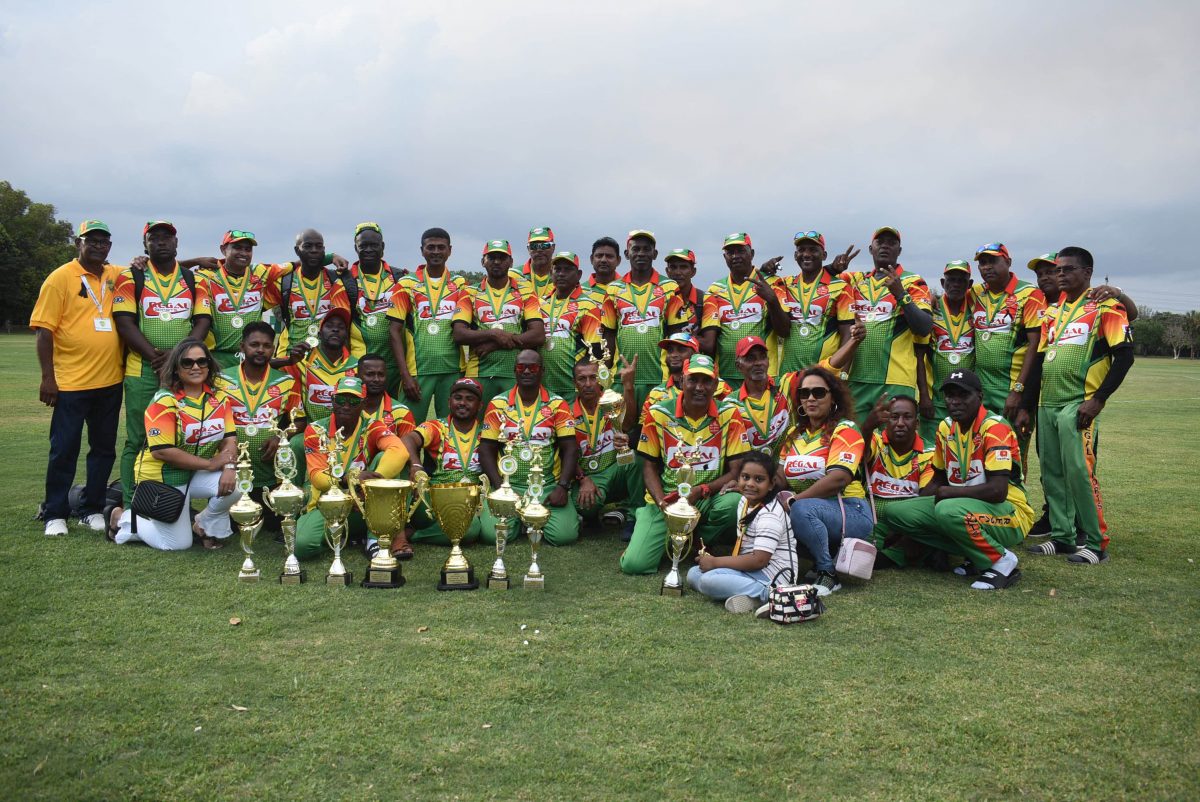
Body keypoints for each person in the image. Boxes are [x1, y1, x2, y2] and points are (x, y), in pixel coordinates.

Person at [1023, 247, 1134, 564]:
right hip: (1048, 404)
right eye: (1058, 270)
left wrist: (1098, 400)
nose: (1060, 275)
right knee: (1052, 474)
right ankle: (1062, 538)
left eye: (1068, 269)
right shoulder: (1051, 313)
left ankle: (1097, 543)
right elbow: (1042, 360)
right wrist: (1029, 404)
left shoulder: (1105, 307)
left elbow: (1125, 356)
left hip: (1078, 404)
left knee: (1080, 474)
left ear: (1087, 272)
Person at [879, 368, 1033, 589]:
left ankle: (1001, 561)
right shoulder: (946, 427)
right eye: (950, 396)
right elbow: (938, 480)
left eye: (963, 395)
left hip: (1011, 511)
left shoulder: (995, 428)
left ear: (979, 397)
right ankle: (976, 556)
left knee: (947, 509)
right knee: (896, 512)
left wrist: (950, 493)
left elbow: (998, 491)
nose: (955, 401)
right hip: (966, 507)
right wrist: (903, 526)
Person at [30, 220, 125, 536]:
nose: (98, 246)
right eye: (92, 241)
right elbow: (44, 332)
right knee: (64, 449)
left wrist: (199, 261)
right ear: (78, 243)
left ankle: (92, 508)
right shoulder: (60, 278)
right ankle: (55, 513)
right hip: (71, 383)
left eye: (104, 242)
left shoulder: (114, 275)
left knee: (103, 449)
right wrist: (48, 378)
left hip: (110, 381)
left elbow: (152, 267)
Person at [114, 220, 213, 508]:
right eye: (154, 238)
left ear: (176, 243)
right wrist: (156, 357)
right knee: (137, 440)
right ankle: (132, 506)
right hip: (143, 369)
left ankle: (175, 503)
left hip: (185, 370)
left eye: (166, 237)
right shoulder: (131, 276)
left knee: (182, 437)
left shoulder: (195, 280)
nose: (161, 242)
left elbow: (202, 321)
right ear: (145, 245)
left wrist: (179, 356)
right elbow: (124, 321)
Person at [623, 354, 749, 575]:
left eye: (706, 381)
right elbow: (649, 466)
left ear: (716, 384)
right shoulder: (659, 413)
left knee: (734, 503)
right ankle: (668, 533)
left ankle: (698, 539)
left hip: (708, 498)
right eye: (693, 380)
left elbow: (736, 470)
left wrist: (702, 490)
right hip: (668, 499)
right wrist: (663, 504)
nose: (699, 387)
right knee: (634, 565)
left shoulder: (730, 413)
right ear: (682, 381)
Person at [113, 339, 241, 550]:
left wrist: (228, 467)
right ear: (175, 368)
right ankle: (124, 519)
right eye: (187, 363)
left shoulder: (219, 398)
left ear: (209, 365)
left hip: (194, 472)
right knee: (178, 544)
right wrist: (210, 464)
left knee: (237, 485)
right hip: (164, 475)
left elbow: (229, 438)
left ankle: (203, 525)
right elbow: (162, 452)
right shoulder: (164, 401)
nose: (196, 367)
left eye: (202, 361)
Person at [777, 366, 872, 595]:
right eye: (804, 393)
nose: (810, 398)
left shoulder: (845, 430)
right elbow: (780, 478)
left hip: (852, 510)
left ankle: (827, 572)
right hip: (811, 508)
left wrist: (794, 500)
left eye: (819, 392)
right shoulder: (794, 434)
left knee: (801, 509)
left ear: (833, 397)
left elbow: (839, 479)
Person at [294, 377, 409, 560]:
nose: (346, 406)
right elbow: (318, 478)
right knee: (301, 545)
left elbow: (400, 451)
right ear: (332, 401)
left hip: (365, 504)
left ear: (363, 404)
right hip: (328, 504)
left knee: (384, 458)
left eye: (354, 401)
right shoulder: (315, 430)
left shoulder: (372, 425)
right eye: (340, 400)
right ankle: (351, 537)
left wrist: (368, 485)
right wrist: (349, 480)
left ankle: (374, 539)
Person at [478, 349, 580, 546]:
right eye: (520, 367)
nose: (526, 371)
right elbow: (486, 449)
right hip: (510, 485)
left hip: (547, 486)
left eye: (532, 367)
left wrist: (562, 486)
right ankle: (525, 521)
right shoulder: (498, 403)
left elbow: (570, 448)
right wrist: (500, 487)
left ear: (542, 371)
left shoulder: (557, 404)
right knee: (492, 536)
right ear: (514, 370)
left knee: (564, 536)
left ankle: (533, 518)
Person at [835, 227, 933, 425]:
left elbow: (924, 327)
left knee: (893, 444)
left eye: (891, 242)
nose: (885, 246)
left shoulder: (914, 281)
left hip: (896, 380)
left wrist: (901, 294)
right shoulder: (854, 280)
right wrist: (833, 268)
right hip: (856, 379)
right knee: (857, 441)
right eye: (880, 242)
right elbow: (821, 281)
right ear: (871, 249)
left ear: (899, 250)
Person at [687, 450, 796, 615]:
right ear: (738, 479)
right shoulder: (745, 501)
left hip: (773, 577)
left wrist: (716, 562)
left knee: (708, 580)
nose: (750, 484)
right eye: (745, 477)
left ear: (772, 484)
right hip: (750, 571)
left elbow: (759, 560)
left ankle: (771, 595)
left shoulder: (770, 514)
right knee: (693, 574)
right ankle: (751, 598)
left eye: (759, 480)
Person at [214, 322, 299, 514]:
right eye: (254, 345)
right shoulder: (220, 380)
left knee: (271, 522)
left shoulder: (286, 382)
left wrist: (281, 437)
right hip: (231, 470)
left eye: (267, 345)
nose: (261, 350)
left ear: (273, 348)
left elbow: (299, 420)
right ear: (242, 346)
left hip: (270, 474)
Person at [395, 378, 487, 548]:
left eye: (470, 399)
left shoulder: (486, 433)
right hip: (434, 501)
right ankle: (408, 529)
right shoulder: (437, 427)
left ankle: (416, 535)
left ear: (480, 405)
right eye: (458, 398)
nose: (463, 403)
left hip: (471, 502)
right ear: (449, 401)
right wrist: (416, 465)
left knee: (470, 528)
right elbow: (408, 439)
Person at [969, 243, 1045, 447]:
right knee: (982, 450)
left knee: (1012, 454)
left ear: (1008, 262)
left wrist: (1018, 391)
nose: (986, 267)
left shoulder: (1030, 294)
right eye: (982, 263)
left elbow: (1035, 344)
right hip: (982, 389)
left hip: (1011, 389)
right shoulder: (975, 293)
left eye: (993, 261)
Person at [600, 230, 683, 416]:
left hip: (659, 377)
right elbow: (609, 334)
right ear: (627, 253)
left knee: (654, 434)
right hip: (621, 377)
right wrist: (606, 375)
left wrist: (676, 373)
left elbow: (676, 335)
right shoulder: (614, 289)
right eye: (636, 249)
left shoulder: (670, 287)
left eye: (647, 249)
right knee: (622, 431)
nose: (641, 253)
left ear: (654, 254)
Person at [390, 227, 468, 424]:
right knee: (407, 427)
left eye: (441, 247)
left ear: (449, 250)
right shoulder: (407, 284)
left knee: (448, 429)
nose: (435, 252)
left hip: (452, 370)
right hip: (418, 371)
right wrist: (405, 375)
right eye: (430, 247)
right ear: (422, 250)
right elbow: (394, 331)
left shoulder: (459, 284)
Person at [453, 240, 546, 402]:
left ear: (511, 262)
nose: (496, 262)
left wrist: (496, 343)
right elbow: (459, 334)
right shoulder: (469, 292)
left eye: (502, 258)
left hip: (513, 372)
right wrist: (494, 334)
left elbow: (538, 335)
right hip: (478, 372)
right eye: (492, 257)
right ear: (483, 261)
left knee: (514, 424)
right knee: (478, 424)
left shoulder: (526, 292)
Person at [194, 229, 294, 372]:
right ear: (223, 249)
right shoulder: (207, 276)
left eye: (248, 249)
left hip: (250, 358)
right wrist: (194, 261)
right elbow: (173, 270)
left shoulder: (260, 272)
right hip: (218, 357)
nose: (243, 253)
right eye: (237, 247)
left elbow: (297, 264)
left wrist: (331, 257)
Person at [699, 233, 789, 388]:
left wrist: (772, 300)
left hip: (763, 375)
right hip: (726, 376)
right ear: (724, 257)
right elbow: (710, 341)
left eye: (741, 251)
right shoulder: (715, 289)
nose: (735, 256)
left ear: (752, 254)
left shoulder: (773, 283)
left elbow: (784, 331)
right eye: (730, 252)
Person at [860, 394, 935, 568]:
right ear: (886, 421)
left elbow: (925, 500)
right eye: (894, 417)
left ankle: (897, 553)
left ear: (917, 424)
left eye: (907, 417)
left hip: (906, 525)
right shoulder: (876, 442)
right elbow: (859, 456)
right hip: (874, 520)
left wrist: (903, 532)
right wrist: (867, 427)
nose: (900, 423)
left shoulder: (930, 453)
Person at [571, 357, 643, 531]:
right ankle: (591, 514)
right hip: (589, 476)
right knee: (585, 507)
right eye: (582, 379)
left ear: (601, 378)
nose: (588, 383)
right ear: (575, 382)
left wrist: (628, 386)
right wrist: (583, 479)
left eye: (593, 377)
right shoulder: (566, 412)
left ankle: (633, 516)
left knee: (637, 459)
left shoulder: (611, 402)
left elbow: (629, 423)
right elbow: (566, 455)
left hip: (615, 469)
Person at [916, 260, 976, 443]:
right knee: (932, 452)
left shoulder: (977, 309)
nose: (955, 285)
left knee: (965, 449)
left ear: (970, 284)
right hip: (936, 400)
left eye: (961, 280)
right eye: (951, 280)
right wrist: (924, 397)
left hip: (967, 400)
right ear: (943, 283)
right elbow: (919, 355)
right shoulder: (931, 311)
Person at [274, 228, 356, 359]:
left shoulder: (336, 281)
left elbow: (342, 324)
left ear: (323, 250)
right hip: (291, 358)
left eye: (319, 247)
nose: (314, 250)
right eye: (308, 246)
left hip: (325, 359)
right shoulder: (284, 282)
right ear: (297, 250)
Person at [778, 231, 849, 374]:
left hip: (825, 376)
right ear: (795, 255)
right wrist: (765, 269)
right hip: (789, 375)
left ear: (824, 255)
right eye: (801, 250)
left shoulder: (841, 287)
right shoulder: (784, 284)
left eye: (813, 250)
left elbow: (847, 335)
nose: (806, 254)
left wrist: (842, 374)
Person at [348, 222, 405, 393]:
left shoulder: (399, 277)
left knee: (391, 412)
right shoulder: (345, 279)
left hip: (393, 363)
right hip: (359, 363)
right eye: (363, 245)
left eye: (374, 245)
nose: (369, 249)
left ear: (383, 247)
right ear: (356, 248)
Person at [540, 251, 604, 400]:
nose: (561, 274)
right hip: (543, 387)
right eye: (558, 269)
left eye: (568, 270)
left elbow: (595, 351)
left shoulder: (588, 306)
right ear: (551, 273)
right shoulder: (540, 304)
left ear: (579, 274)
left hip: (573, 388)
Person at [639, 332, 732, 421]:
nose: (674, 355)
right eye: (670, 350)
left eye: (681, 350)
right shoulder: (656, 393)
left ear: (696, 354)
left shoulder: (720, 386)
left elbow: (731, 416)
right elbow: (646, 427)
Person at [725, 336, 791, 456]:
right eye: (751, 359)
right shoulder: (730, 404)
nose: (758, 363)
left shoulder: (784, 385)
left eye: (762, 357)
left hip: (784, 468)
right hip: (752, 471)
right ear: (738, 366)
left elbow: (823, 371)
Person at [359, 352, 416, 440]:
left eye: (381, 375)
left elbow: (409, 450)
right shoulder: (346, 408)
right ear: (357, 377)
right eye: (370, 374)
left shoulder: (401, 413)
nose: (376, 379)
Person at [664, 248, 704, 336]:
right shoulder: (661, 300)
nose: (678, 272)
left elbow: (710, 345)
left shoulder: (705, 300)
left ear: (693, 272)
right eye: (673, 267)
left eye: (683, 267)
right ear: (667, 271)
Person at [514, 226, 557, 299]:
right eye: (534, 246)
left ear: (553, 247)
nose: (539, 250)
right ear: (528, 249)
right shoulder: (513, 275)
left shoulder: (563, 276)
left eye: (544, 245)